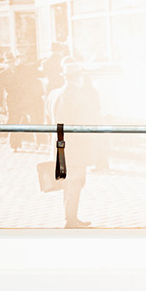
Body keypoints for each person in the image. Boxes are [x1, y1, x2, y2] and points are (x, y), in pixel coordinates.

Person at [47, 57, 104, 228]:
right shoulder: (73, 95)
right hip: (74, 149)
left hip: (61, 146)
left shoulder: (55, 93)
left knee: (68, 184)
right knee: (75, 182)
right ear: (78, 77)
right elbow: (77, 123)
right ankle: (70, 220)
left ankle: (71, 217)